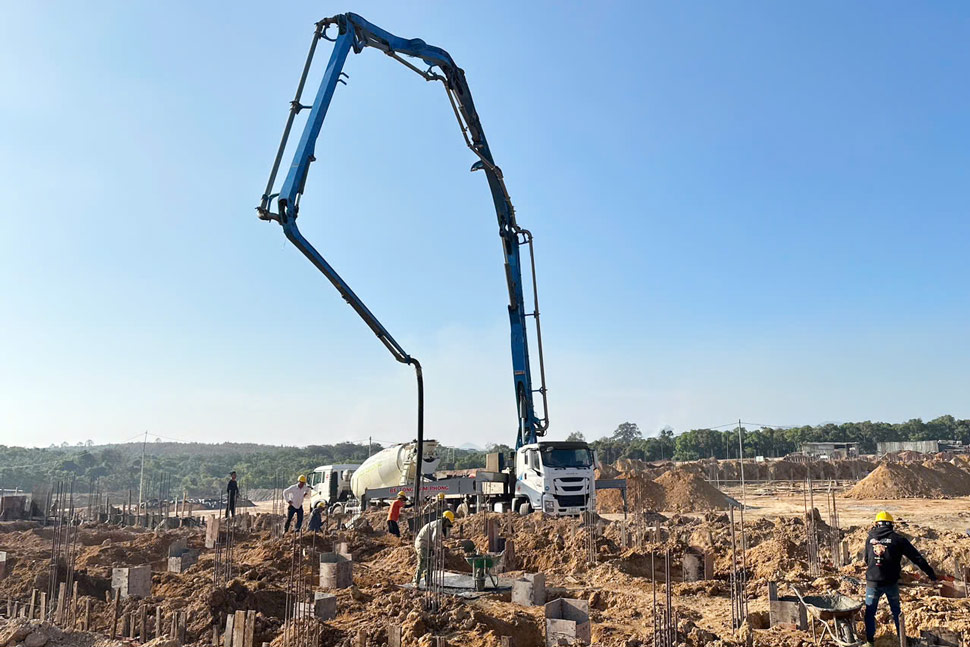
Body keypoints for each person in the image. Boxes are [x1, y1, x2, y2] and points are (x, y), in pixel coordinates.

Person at [863, 511, 937, 646]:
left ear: (876, 524)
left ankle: (869, 641)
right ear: (891, 525)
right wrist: (931, 574)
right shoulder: (898, 539)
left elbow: (867, 559)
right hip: (891, 582)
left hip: (873, 582)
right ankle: (901, 639)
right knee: (896, 611)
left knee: (870, 612)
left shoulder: (869, 538)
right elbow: (916, 558)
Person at [413, 510, 454, 588]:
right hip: (422, 544)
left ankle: (428, 582)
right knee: (422, 562)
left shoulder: (439, 525)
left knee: (430, 564)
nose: (448, 526)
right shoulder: (438, 525)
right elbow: (434, 539)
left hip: (428, 545)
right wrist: (442, 547)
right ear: (445, 519)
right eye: (448, 523)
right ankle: (415, 582)